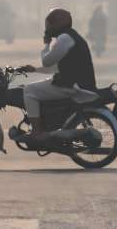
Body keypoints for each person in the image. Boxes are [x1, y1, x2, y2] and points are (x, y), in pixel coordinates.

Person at [20, 8, 99, 142]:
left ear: (57, 24)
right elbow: (58, 67)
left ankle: (37, 132)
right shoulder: (72, 36)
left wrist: (46, 44)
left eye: (49, 25)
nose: (47, 29)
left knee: (29, 90)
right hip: (79, 84)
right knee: (45, 83)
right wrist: (34, 70)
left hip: (73, 86)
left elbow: (47, 61)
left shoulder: (64, 38)